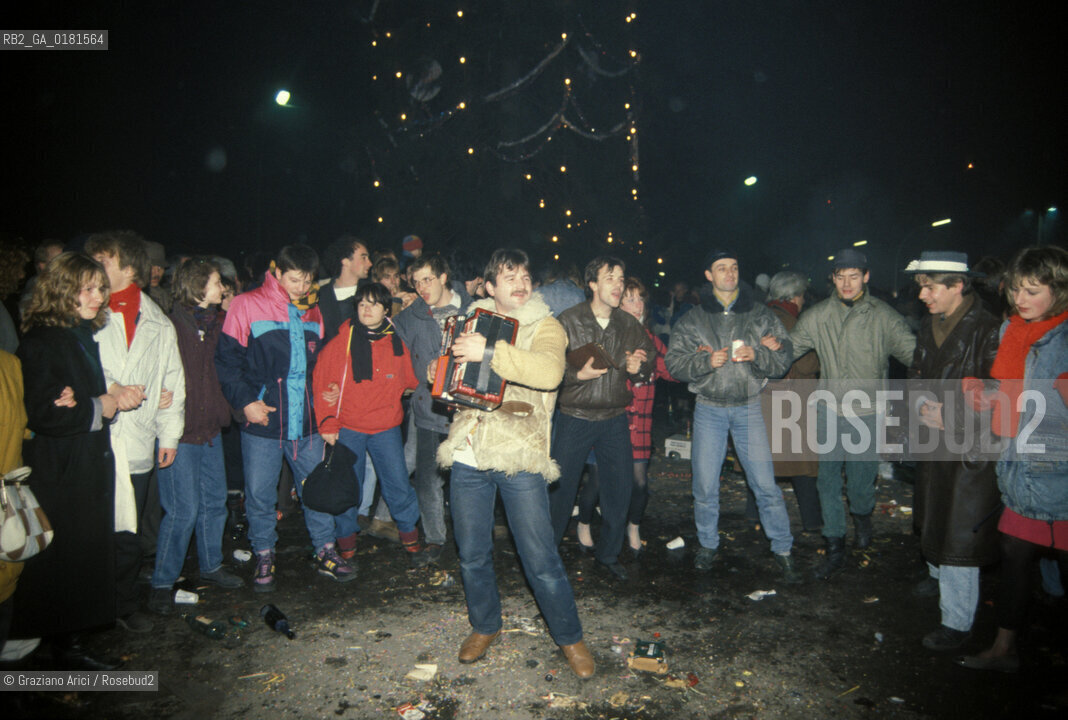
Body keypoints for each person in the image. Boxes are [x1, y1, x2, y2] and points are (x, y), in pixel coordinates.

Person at [435, 248, 594, 679]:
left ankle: (569, 637)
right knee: (471, 552)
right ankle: (485, 624)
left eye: (524, 274)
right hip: (469, 450)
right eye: (509, 277)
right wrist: (446, 378)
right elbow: (453, 377)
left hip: (520, 453)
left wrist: (488, 352)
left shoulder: (547, 325)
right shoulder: (469, 324)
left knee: (539, 557)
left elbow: (548, 373)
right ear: (489, 288)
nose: (520, 282)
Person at [215, 245, 357, 591]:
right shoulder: (245, 305)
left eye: (307, 280)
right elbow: (227, 363)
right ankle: (264, 551)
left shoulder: (312, 311)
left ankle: (324, 549)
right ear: (277, 272)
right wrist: (247, 402)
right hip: (263, 420)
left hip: (306, 422)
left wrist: (327, 397)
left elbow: (320, 365)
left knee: (316, 489)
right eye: (294, 279)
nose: (301, 286)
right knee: (260, 494)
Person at [959, 246, 1068, 672]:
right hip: (1021, 466)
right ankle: (1005, 649)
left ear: (1058, 291)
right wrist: (984, 396)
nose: (1021, 299)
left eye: (1033, 291)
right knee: (1014, 553)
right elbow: (1010, 397)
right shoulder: (1013, 330)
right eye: (1017, 289)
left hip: (1059, 471)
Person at [12, 252, 123, 669]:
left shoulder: (75, 333)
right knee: (64, 560)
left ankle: (69, 643)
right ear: (62, 290)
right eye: (87, 289)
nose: (98, 297)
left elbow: (69, 400)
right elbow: (44, 412)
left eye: (100, 289)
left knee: (79, 557)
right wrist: (97, 405)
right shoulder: (43, 340)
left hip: (81, 463)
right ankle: (57, 653)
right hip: (60, 470)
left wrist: (87, 401)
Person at [665, 249, 801, 583]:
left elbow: (784, 358)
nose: (730, 273)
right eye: (722, 268)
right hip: (709, 409)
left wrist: (759, 355)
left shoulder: (759, 315)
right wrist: (703, 363)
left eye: (734, 267)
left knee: (765, 484)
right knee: (705, 484)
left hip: (748, 406)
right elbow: (673, 363)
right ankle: (708, 544)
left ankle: (783, 549)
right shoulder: (694, 318)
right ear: (709, 276)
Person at [789, 248, 916, 579]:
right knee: (827, 482)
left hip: (867, 413)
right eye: (840, 276)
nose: (846, 284)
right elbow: (789, 349)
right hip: (828, 409)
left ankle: (862, 518)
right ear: (832, 278)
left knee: (860, 486)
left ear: (866, 277)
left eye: (854, 276)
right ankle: (834, 546)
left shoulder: (884, 317)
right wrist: (763, 353)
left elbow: (915, 355)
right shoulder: (817, 316)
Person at [901, 252, 1001, 652]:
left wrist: (953, 414)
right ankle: (936, 573)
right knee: (934, 515)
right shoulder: (931, 324)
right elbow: (916, 372)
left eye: (930, 286)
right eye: (921, 286)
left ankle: (957, 623)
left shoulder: (989, 330)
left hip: (969, 449)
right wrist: (921, 406)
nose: (923, 295)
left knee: (961, 534)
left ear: (958, 286)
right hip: (935, 440)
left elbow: (999, 391)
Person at [87, 230, 186, 633]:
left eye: (104, 262)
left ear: (129, 268)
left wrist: (169, 435)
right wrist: (110, 390)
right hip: (95, 439)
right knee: (93, 528)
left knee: (128, 532)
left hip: (138, 438)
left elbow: (173, 381)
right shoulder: (87, 312)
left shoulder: (157, 322)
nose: (95, 270)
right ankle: (87, 606)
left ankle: (123, 606)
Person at [549, 256, 655, 582]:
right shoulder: (567, 320)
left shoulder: (627, 323)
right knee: (559, 490)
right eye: (611, 278)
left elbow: (648, 354)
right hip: (574, 416)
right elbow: (547, 365)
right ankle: (547, 557)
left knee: (619, 489)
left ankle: (608, 554)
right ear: (592, 283)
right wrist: (574, 373)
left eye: (621, 279)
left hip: (613, 418)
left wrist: (642, 365)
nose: (618, 285)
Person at [148, 258, 244, 615]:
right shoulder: (169, 326)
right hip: (179, 432)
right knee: (182, 511)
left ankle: (211, 565)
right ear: (199, 286)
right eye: (218, 282)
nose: (223, 289)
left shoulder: (218, 324)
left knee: (214, 502)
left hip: (210, 430)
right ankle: (162, 581)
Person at [313, 283, 429, 567]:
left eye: (374, 304)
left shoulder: (396, 341)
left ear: (386, 309)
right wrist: (328, 420)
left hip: (385, 426)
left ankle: (411, 541)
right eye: (362, 303)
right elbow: (322, 381)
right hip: (349, 427)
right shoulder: (341, 341)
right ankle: (347, 546)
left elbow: (411, 380)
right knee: (347, 489)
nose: (366, 309)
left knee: (398, 485)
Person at [574, 277, 676, 558]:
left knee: (640, 482)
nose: (637, 304)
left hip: (640, 424)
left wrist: (697, 359)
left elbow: (674, 371)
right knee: (596, 479)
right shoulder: (607, 336)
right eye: (630, 298)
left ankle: (633, 526)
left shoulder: (651, 340)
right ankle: (583, 524)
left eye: (641, 299)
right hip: (609, 421)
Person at [394, 254, 471, 562]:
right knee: (427, 479)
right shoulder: (410, 316)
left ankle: (471, 537)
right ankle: (436, 539)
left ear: (443, 277)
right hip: (429, 409)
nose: (422, 287)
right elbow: (391, 353)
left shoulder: (473, 308)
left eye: (427, 279)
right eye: (416, 282)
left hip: (468, 411)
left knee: (466, 479)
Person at [748, 270, 823, 532]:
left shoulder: (758, 317)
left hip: (761, 400)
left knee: (760, 461)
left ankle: (753, 515)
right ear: (793, 295)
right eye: (802, 295)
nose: (803, 301)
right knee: (802, 466)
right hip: (790, 402)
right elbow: (807, 362)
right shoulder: (791, 322)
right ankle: (813, 521)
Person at [318, 235, 373, 342]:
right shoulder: (320, 296)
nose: (370, 263)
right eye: (363, 257)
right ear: (345, 261)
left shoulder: (372, 293)